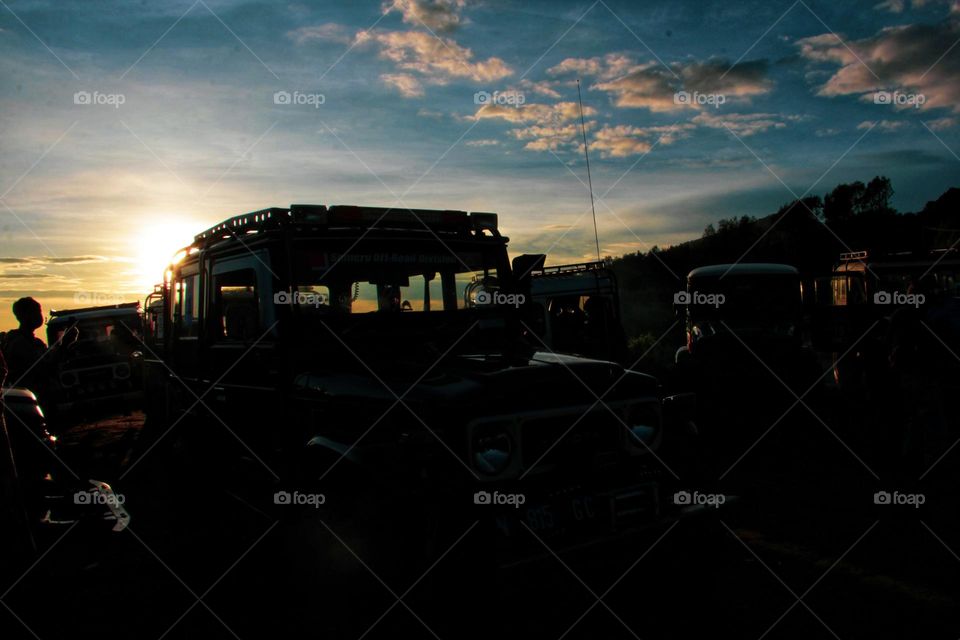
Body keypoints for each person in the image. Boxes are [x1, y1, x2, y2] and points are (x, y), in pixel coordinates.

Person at [1, 297, 76, 397]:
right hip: (31, 395)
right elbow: (44, 367)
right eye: (36, 311)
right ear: (26, 316)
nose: (39, 315)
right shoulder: (17, 342)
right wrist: (65, 343)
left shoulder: (34, 341)